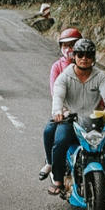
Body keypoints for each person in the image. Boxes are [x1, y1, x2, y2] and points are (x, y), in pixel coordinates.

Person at [49, 38, 105, 201]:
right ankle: (58, 179)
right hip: (71, 121)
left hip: (95, 122)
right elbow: (58, 96)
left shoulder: (100, 77)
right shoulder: (64, 77)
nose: (84, 58)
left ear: (93, 57)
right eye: (80, 54)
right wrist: (57, 112)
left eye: (88, 55)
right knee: (60, 141)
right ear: (74, 56)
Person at [39, 28, 82, 181]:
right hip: (65, 112)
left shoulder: (87, 64)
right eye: (65, 46)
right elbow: (55, 92)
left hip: (86, 113)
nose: (69, 49)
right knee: (49, 132)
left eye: (73, 45)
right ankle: (51, 162)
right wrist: (62, 111)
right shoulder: (57, 67)